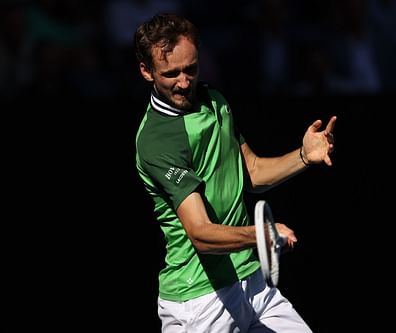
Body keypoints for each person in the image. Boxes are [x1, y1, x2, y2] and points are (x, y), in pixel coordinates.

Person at [134, 13, 336, 333]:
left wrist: (303, 157)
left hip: (254, 285)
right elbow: (200, 233)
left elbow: (251, 172)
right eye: (171, 73)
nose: (184, 82)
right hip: (198, 301)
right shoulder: (157, 142)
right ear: (147, 71)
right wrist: (261, 235)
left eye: (191, 68)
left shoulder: (215, 100)